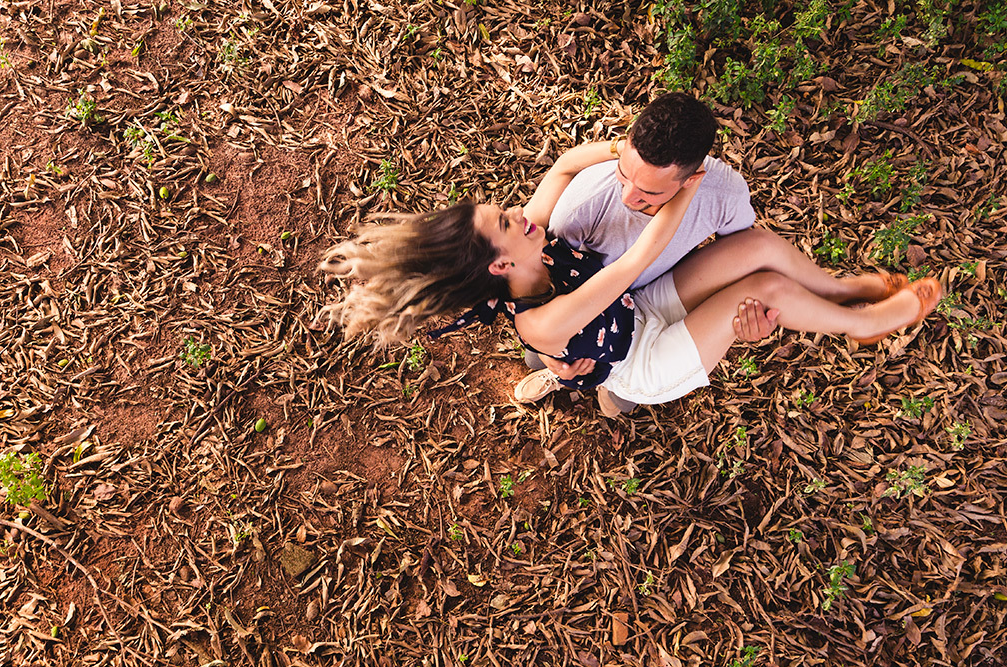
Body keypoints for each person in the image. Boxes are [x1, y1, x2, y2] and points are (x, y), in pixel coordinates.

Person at [318, 142, 942, 417]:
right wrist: (681, 186)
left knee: (754, 245)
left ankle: (843, 290)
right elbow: (634, 263)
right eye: (508, 220)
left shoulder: (534, 245)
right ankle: (872, 323)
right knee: (766, 292)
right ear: (502, 265)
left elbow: (562, 166)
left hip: (638, 312)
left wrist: (627, 156)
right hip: (641, 357)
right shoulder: (540, 319)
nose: (521, 213)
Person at [513, 92, 880, 412]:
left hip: (646, 306)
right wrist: (552, 351)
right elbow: (533, 289)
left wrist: (746, 317)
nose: (627, 197)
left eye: (648, 194)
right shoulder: (584, 207)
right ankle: (557, 376)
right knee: (548, 357)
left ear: (690, 180)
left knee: (619, 401)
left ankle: (841, 292)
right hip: (578, 313)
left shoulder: (723, 193)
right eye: (624, 175)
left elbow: (737, 259)